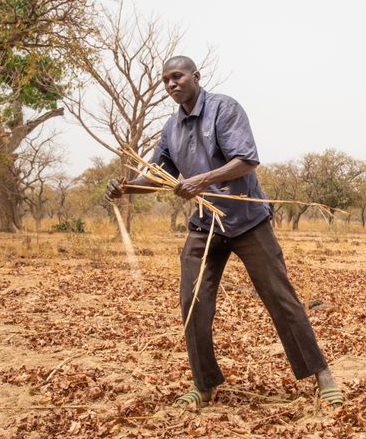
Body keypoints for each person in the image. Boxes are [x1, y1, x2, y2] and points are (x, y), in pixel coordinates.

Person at [106, 56, 342, 409]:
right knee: (192, 300)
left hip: (247, 220)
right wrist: (127, 188)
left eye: (178, 77)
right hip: (206, 224)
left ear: (195, 77)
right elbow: (158, 175)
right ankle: (204, 384)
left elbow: (246, 159)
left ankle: (322, 375)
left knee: (280, 297)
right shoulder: (171, 128)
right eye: (166, 80)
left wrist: (201, 180)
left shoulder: (224, 109)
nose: (172, 84)